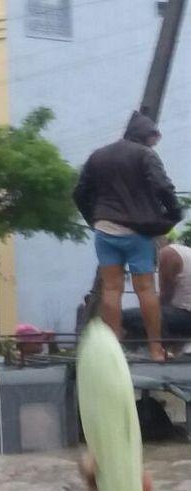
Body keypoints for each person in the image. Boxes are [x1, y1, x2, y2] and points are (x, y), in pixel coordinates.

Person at [73, 111, 182, 361]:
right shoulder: (145, 154)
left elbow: (79, 193)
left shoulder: (97, 156)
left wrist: (95, 219)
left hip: (105, 230)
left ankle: (114, 351)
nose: (155, 143)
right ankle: (156, 349)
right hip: (137, 232)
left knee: (111, 289)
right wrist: (173, 215)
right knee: (146, 290)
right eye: (154, 138)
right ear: (146, 135)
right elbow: (163, 186)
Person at [123, 236, 191, 354]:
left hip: (185, 316)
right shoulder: (185, 251)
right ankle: (162, 351)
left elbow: (165, 298)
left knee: (121, 317)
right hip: (183, 316)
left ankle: (134, 354)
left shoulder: (167, 254)